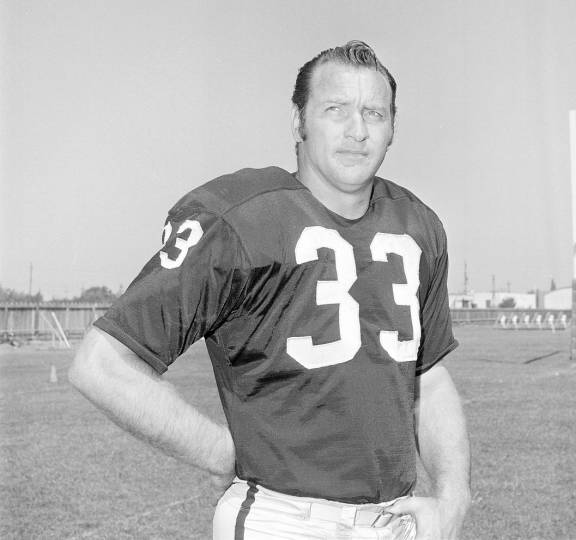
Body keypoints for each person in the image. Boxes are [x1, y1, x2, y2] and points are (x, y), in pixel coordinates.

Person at [69, 40, 471, 539]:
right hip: (282, 519)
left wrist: (453, 498)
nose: (358, 130)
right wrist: (219, 451)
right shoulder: (241, 217)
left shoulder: (418, 226)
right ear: (299, 121)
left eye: (375, 113)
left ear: (392, 129)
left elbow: (428, 380)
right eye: (335, 109)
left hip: (392, 522)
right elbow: (101, 364)